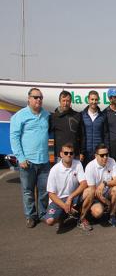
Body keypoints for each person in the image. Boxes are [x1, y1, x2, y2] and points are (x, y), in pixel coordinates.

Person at [10, 87, 51, 228]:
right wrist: (20, 158)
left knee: (43, 190)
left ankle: (43, 214)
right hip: (27, 161)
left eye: (40, 97)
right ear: (28, 98)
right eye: (35, 97)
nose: (38, 100)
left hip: (44, 160)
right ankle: (31, 216)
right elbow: (14, 137)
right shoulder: (20, 116)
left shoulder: (46, 115)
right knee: (28, 191)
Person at [44, 143, 92, 231]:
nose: (69, 155)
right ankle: (63, 216)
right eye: (66, 153)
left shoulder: (77, 164)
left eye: (71, 153)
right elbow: (51, 194)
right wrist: (65, 206)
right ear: (61, 154)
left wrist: (70, 197)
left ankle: (81, 219)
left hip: (73, 197)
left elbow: (84, 183)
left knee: (90, 191)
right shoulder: (54, 170)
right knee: (49, 221)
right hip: (59, 200)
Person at [85, 144, 116, 227]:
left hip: (107, 191)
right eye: (102, 155)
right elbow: (92, 191)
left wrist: (105, 183)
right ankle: (90, 213)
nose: (105, 157)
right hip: (96, 196)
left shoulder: (111, 161)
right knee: (98, 213)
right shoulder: (90, 167)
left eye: (107, 154)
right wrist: (107, 202)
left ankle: (112, 215)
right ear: (96, 156)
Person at [50, 90, 84, 160]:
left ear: (70, 102)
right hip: (59, 156)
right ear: (60, 101)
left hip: (74, 155)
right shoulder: (53, 117)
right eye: (63, 100)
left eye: (68, 101)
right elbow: (50, 138)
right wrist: (51, 156)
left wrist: (82, 152)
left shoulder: (77, 115)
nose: (65, 103)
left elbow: (82, 135)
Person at [81, 90, 106, 166]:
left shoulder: (103, 116)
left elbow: (105, 134)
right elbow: (80, 134)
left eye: (96, 100)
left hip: (98, 153)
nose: (94, 102)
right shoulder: (82, 115)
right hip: (86, 153)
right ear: (88, 100)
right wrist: (81, 152)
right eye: (92, 99)